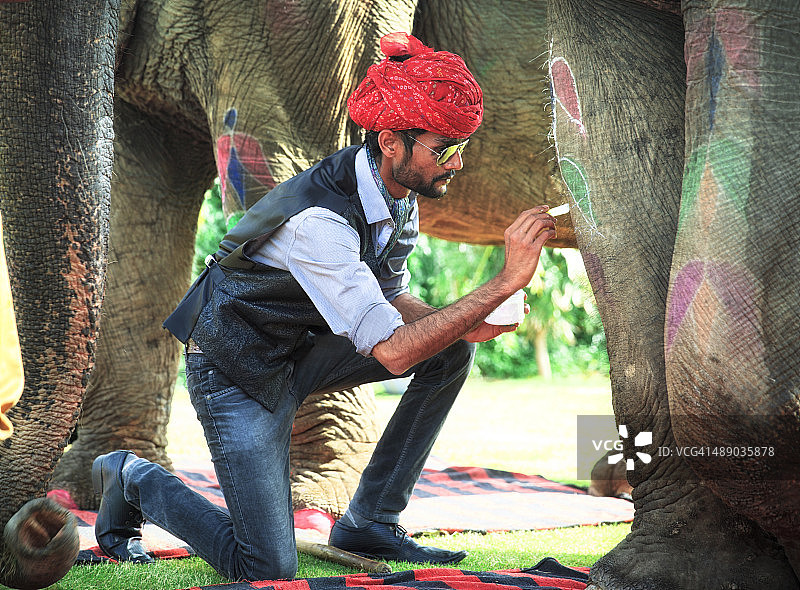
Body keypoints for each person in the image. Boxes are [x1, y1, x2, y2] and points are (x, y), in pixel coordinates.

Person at [92, 31, 556, 581]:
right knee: (266, 568)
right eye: (444, 149)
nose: (455, 164)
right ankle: (131, 477)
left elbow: (391, 300)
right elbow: (391, 351)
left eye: (459, 148)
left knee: (449, 351)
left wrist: (469, 323)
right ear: (390, 142)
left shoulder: (398, 197)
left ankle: (371, 523)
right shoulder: (320, 223)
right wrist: (502, 284)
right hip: (237, 371)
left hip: (303, 353)